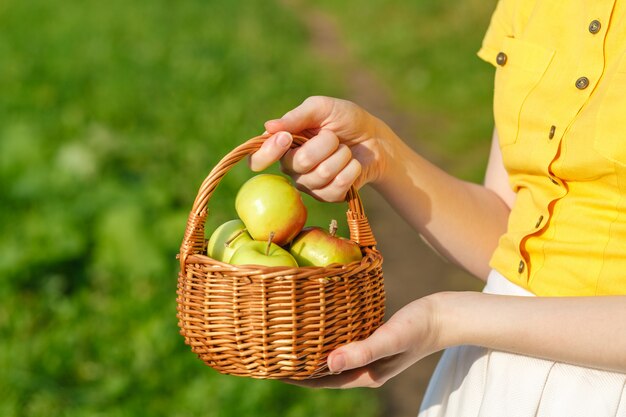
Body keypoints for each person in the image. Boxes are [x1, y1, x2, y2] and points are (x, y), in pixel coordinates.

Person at [249, 0, 626, 415]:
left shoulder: (460, 319)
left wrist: (448, 319)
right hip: (490, 377)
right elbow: (510, 237)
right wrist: (380, 151)